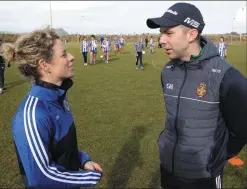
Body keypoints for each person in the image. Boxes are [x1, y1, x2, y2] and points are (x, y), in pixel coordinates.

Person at [146, 2, 247, 189]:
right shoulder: (167, 71)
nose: (161, 40)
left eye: (169, 33)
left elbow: (241, 129)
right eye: (161, 33)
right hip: (167, 168)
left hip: (203, 177)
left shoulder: (227, 76)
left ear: (191, 34)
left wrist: (215, 158)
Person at [2, 28, 103, 188]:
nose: (72, 57)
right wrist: (88, 178)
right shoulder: (33, 114)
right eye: (64, 54)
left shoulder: (59, 97)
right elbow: (41, 177)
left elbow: (61, 147)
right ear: (44, 65)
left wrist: (83, 160)